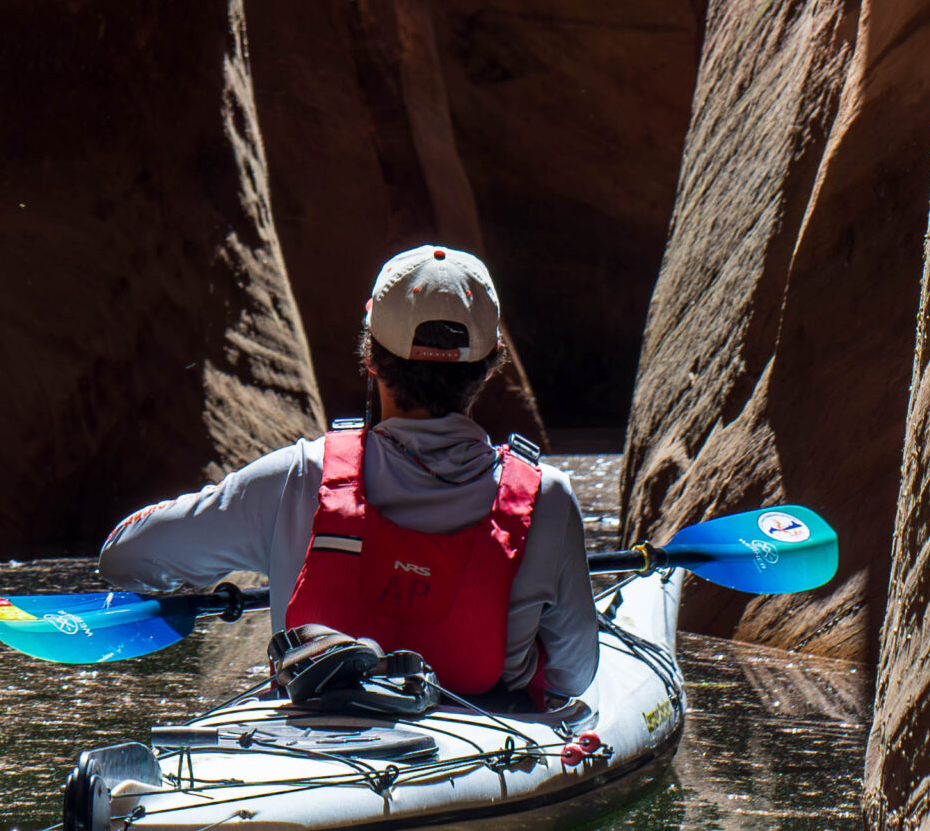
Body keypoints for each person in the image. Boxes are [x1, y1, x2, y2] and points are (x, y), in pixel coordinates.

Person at [96, 245, 597, 707]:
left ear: (371, 359)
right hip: (478, 754)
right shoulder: (546, 498)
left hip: (311, 754)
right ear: (488, 369)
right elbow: (573, 676)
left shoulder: (299, 477)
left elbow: (124, 557)